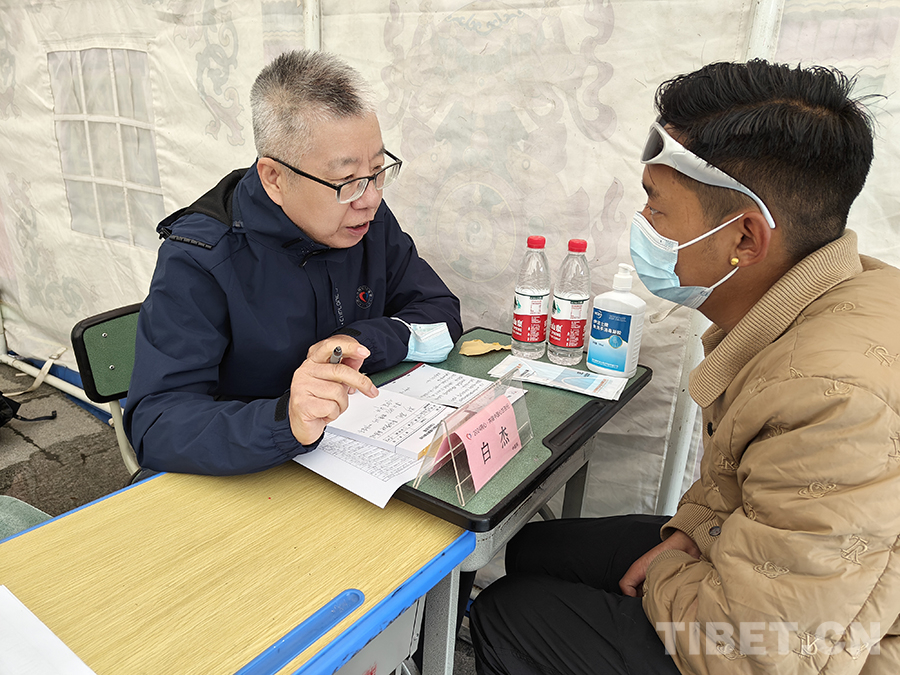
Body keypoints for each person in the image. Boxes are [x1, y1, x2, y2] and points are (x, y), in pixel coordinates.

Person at [470, 60, 900, 674]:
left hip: (807, 654)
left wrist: (670, 570)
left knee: (510, 614)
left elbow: (752, 654)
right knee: (536, 546)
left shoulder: (833, 401)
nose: (643, 223)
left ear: (745, 239)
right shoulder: (828, 291)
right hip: (770, 579)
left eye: (657, 205)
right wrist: (690, 531)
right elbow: (740, 481)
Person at [124, 50, 462, 475]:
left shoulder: (364, 221)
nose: (371, 199)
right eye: (347, 180)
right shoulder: (200, 256)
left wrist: (359, 341)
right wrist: (286, 419)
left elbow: (441, 313)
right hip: (252, 476)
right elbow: (156, 426)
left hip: (359, 456)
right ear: (274, 178)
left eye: (378, 171)